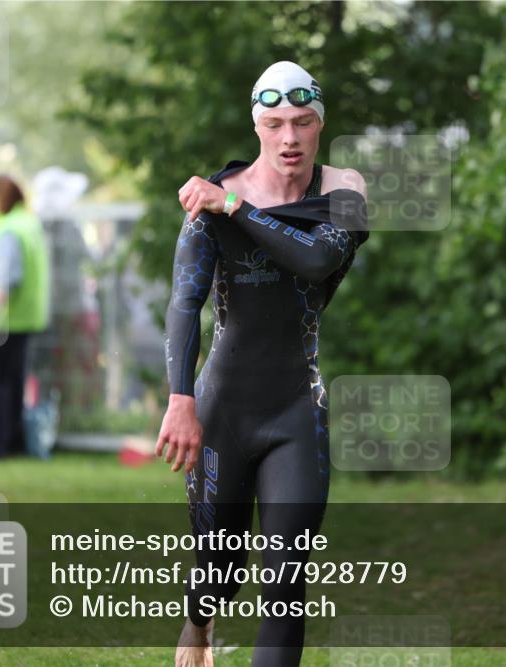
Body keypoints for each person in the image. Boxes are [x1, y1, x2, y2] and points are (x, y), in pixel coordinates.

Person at [156, 61, 369, 667]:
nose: (289, 137)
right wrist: (180, 400)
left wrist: (235, 207)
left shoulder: (344, 189)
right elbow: (185, 302)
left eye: (303, 122)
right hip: (223, 410)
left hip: (297, 409)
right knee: (218, 571)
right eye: (274, 124)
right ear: (257, 127)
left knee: (284, 581)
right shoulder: (210, 200)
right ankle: (199, 621)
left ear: (320, 123)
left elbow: (318, 260)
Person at [0, 174, 51, 458]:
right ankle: (12, 441)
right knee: (12, 380)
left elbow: (7, 279)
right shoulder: (30, 224)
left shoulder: (9, 229)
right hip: (26, 318)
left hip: (5, 319)